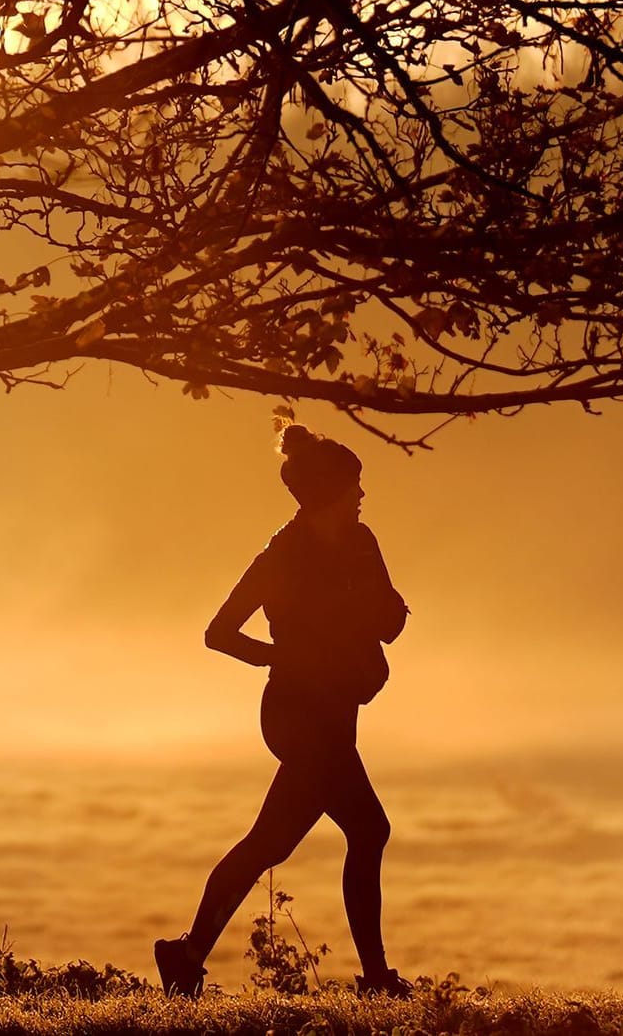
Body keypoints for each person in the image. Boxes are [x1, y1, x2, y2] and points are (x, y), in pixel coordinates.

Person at [154, 424, 411, 999]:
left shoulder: (362, 543)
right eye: (355, 488)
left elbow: (390, 620)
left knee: (271, 843)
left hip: (338, 713)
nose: (363, 497)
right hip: (297, 714)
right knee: (369, 829)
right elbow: (218, 633)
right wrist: (285, 656)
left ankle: (186, 955)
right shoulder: (280, 557)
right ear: (330, 494)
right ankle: (375, 980)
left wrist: (376, 617)